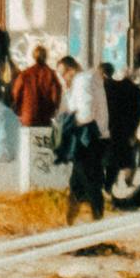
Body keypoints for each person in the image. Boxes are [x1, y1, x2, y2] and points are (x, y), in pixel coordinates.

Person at [58, 55, 111, 223]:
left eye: (63, 74)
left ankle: (95, 222)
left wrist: (70, 123)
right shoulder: (91, 79)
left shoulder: (81, 82)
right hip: (97, 138)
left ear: (71, 70)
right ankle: (71, 221)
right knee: (78, 183)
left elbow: (86, 114)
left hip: (86, 140)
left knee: (89, 183)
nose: (63, 78)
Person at [9, 44, 62, 129]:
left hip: (27, 117)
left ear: (33, 56)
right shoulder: (51, 75)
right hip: (45, 118)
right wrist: (52, 110)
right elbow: (56, 96)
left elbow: (15, 94)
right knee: (42, 141)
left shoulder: (25, 74)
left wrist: (19, 110)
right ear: (46, 56)